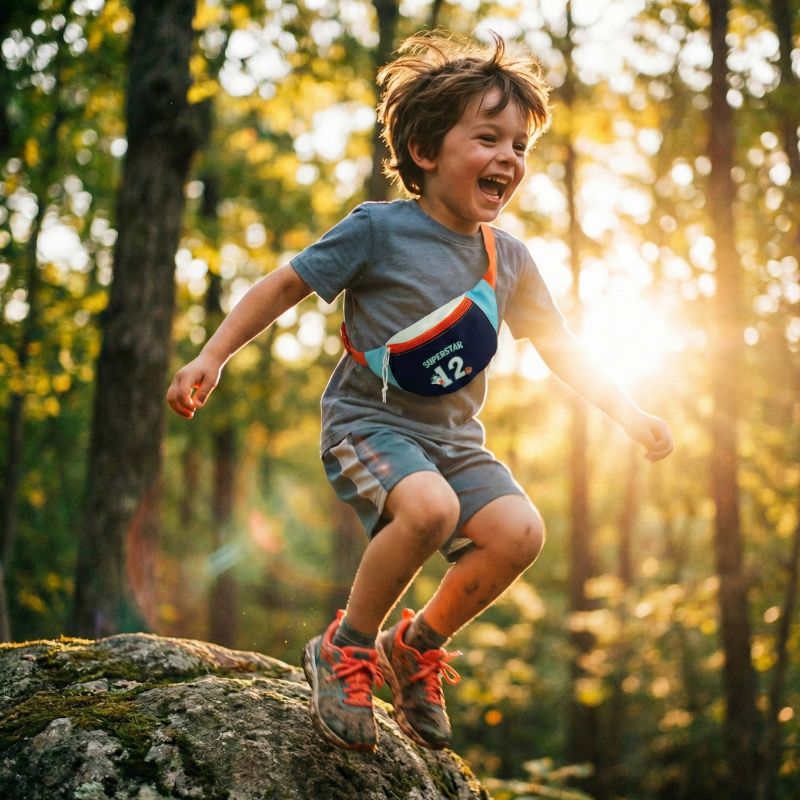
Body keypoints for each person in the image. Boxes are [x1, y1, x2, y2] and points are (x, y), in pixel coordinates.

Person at [166, 30, 673, 754]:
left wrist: (630, 413)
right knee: (428, 509)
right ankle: (346, 647)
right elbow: (284, 284)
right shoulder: (378, 230)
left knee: (520, 533)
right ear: (427, 151)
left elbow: (564, 347)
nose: (508, 158)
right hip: (366, 426)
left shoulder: (510, 259)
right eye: (489, 138)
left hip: (456, 442)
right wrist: (211, 357)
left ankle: (418, 643)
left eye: (520, 147)